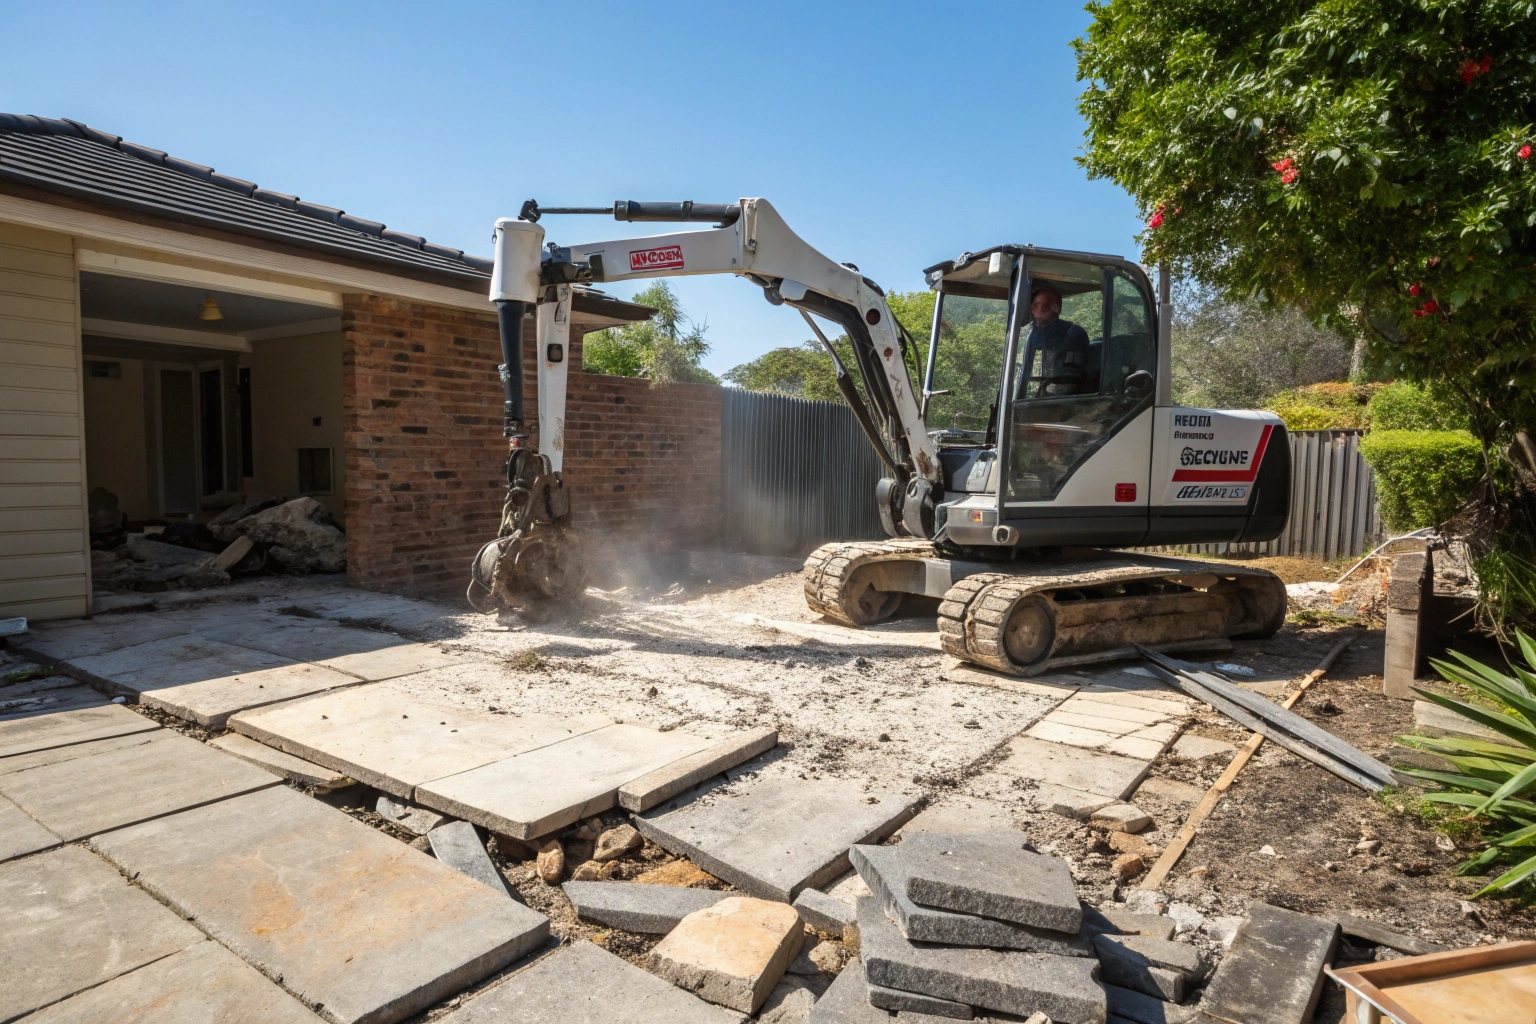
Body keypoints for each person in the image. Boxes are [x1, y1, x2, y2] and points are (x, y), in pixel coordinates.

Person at [1021, 282, 1093, 397]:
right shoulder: (1029, 333)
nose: (1037, 308)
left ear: (1057, 308)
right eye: (1034, 305)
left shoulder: (1073, 334)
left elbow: (1071, 380)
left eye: (1044, 305)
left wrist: (1046, 392)